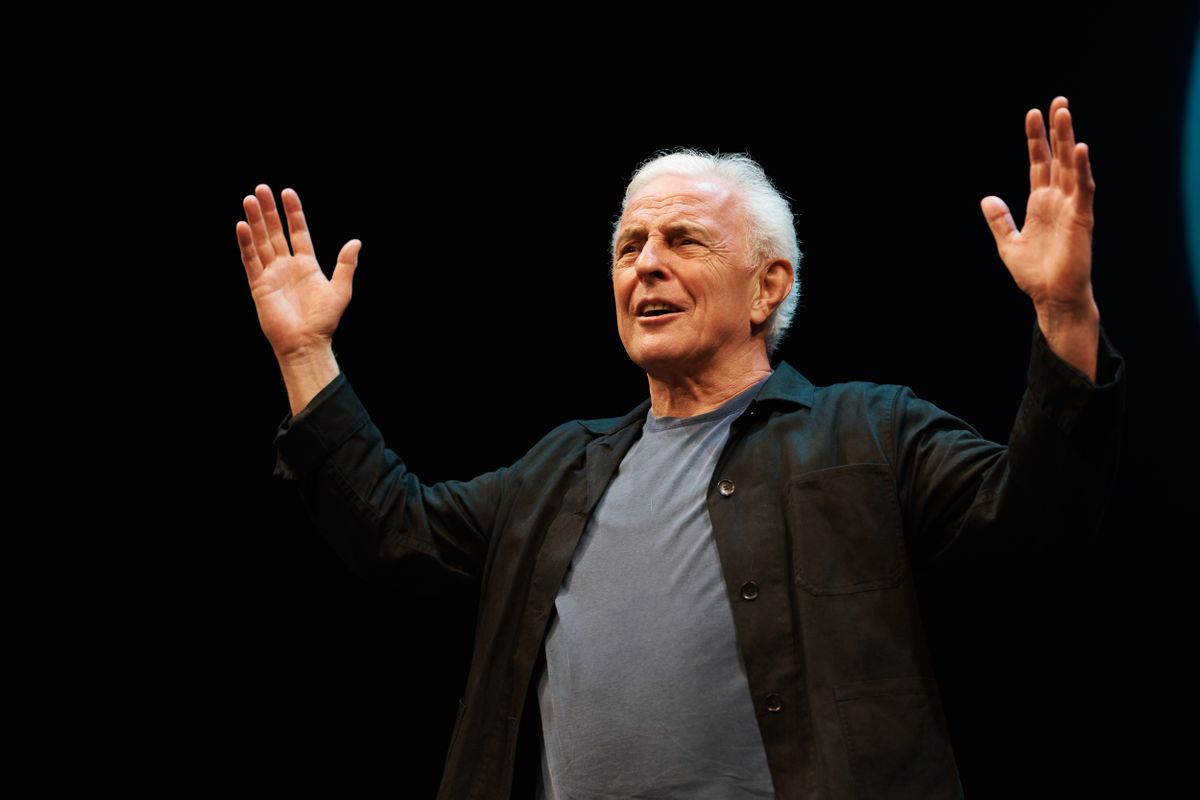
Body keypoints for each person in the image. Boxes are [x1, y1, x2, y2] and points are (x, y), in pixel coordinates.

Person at [237, 96, 1126, 799]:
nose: (645, 265)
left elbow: (1035, 512)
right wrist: (306, 353)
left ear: (767, 287)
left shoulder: (867, 433)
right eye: (629, 246)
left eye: (682, 240)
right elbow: (393, 529)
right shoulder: (560, 470)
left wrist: (1064, 315)